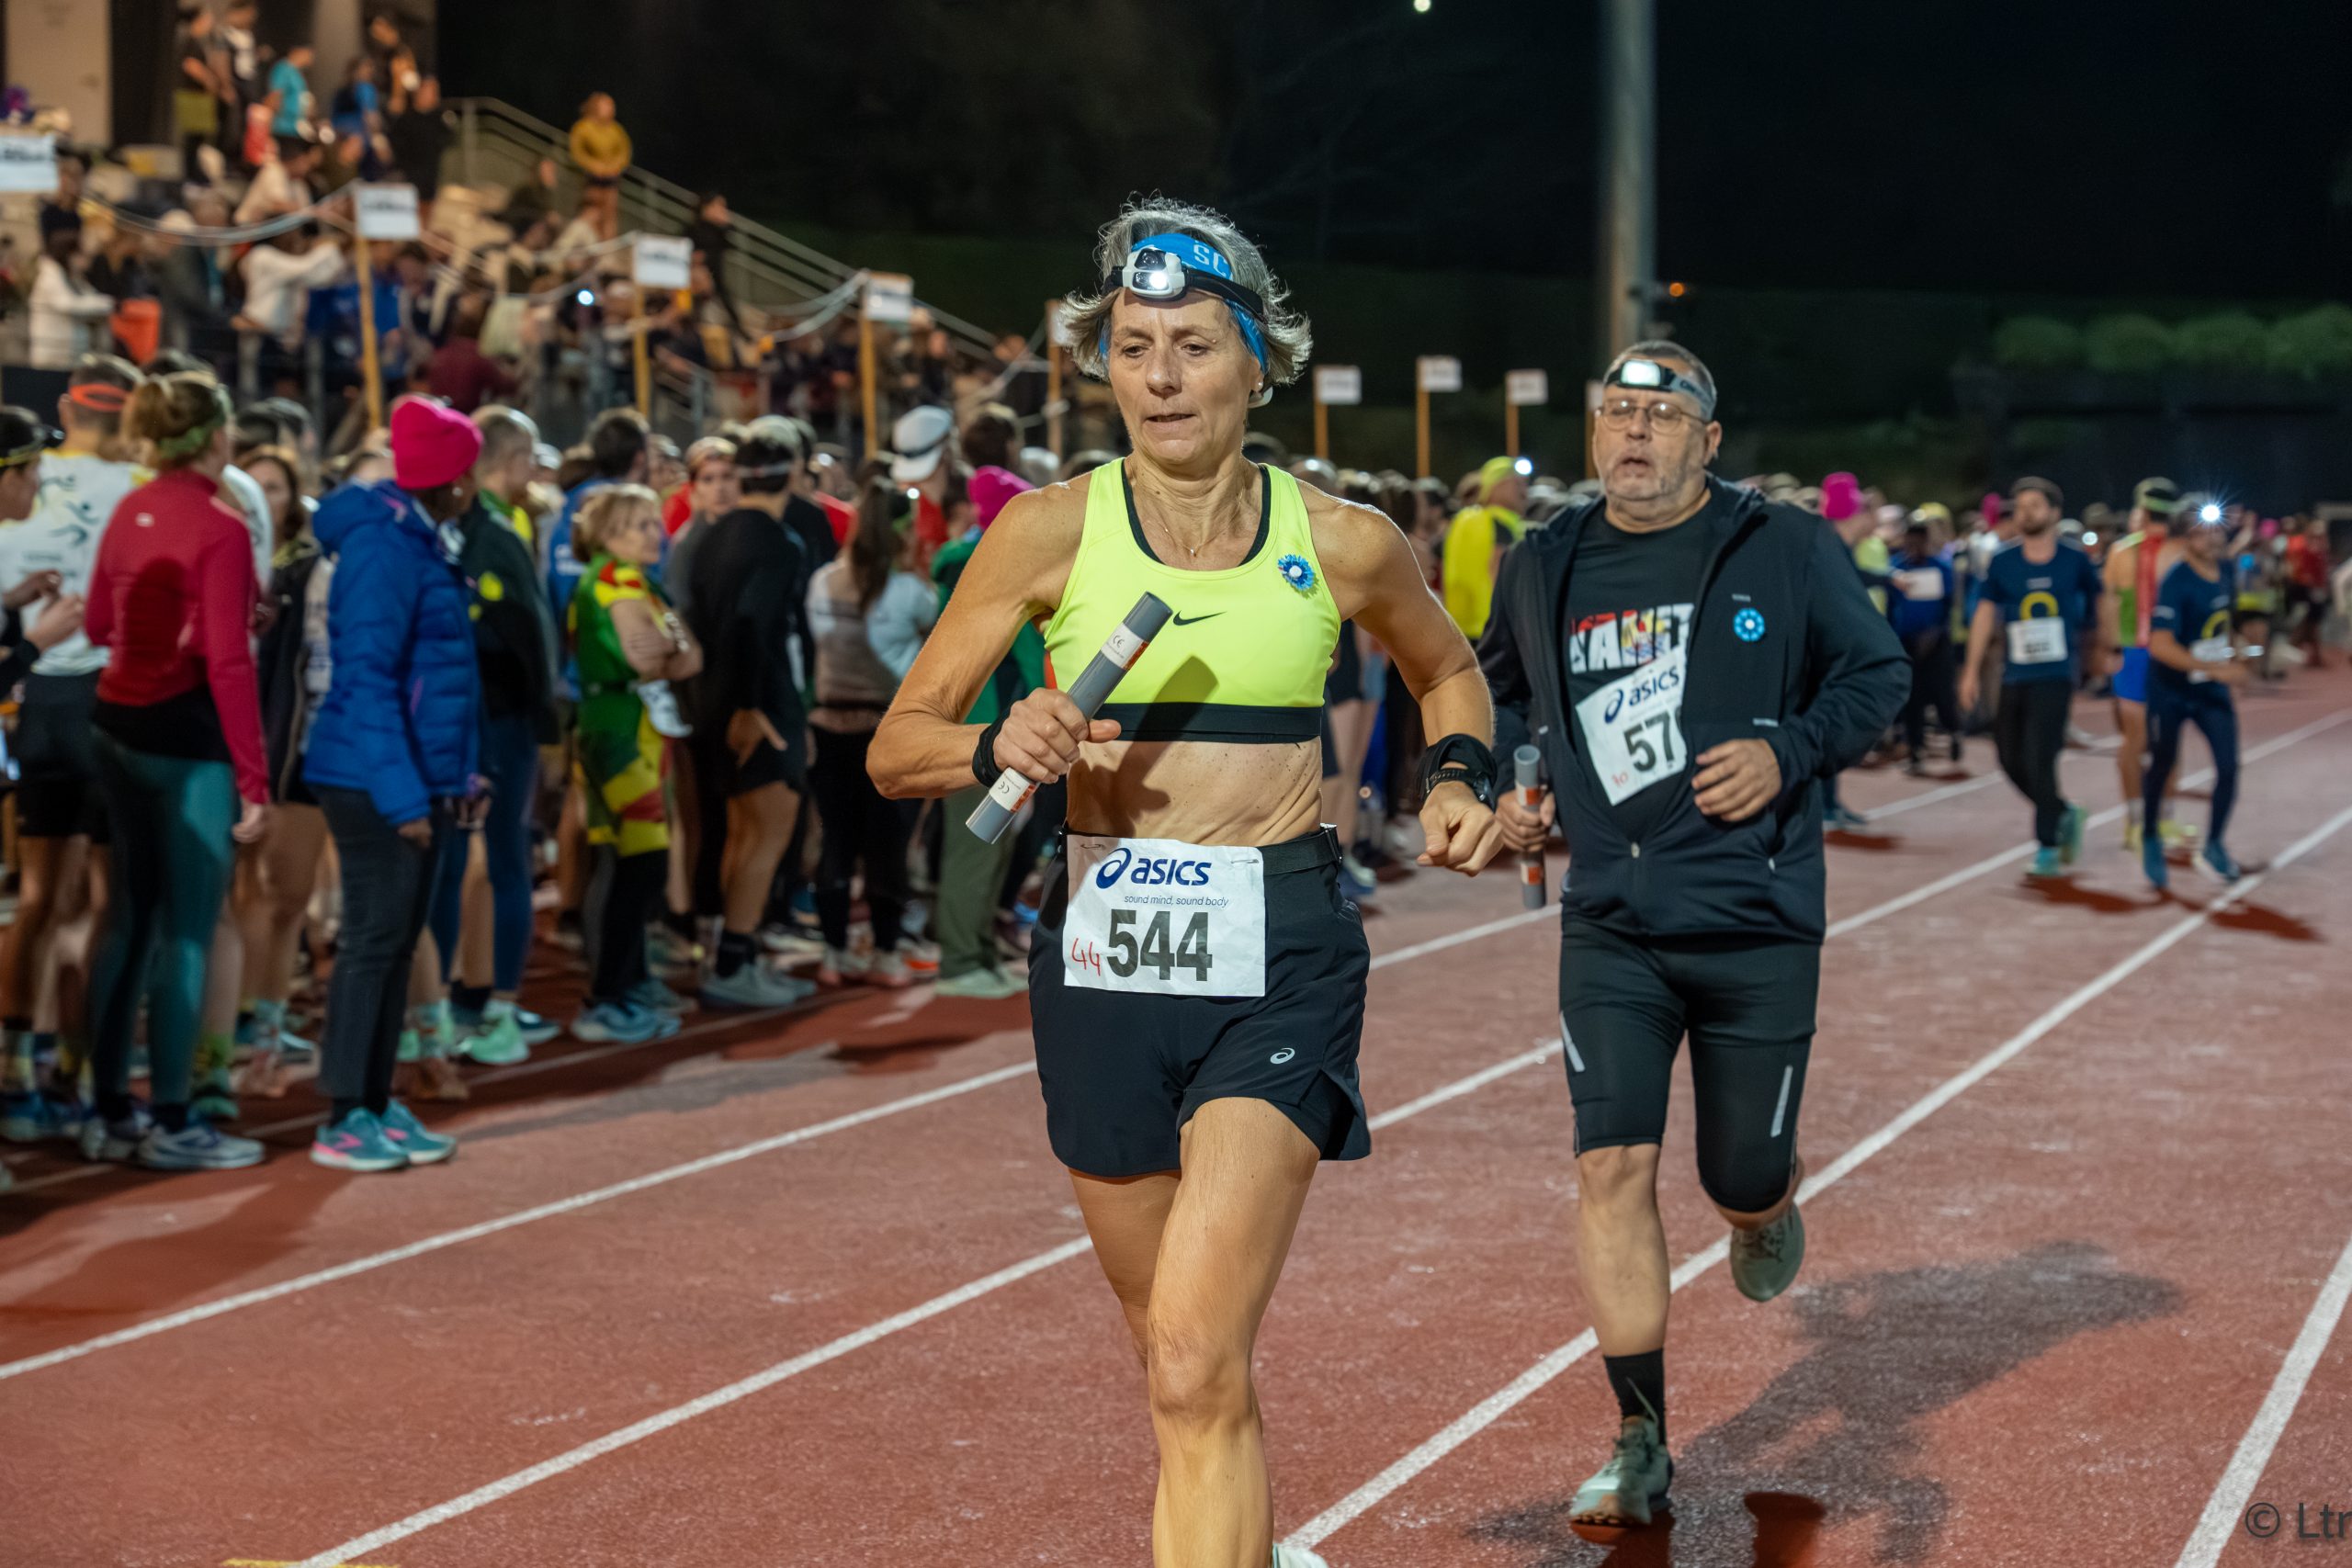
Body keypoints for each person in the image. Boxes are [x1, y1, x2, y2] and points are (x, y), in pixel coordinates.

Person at [870, 201, 1502, 1568]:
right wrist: (995, 740)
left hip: (1278, 952)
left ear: (1257, 364)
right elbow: (895, 746)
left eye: (1195, 346)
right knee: (1175, 1364)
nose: (1160, 377)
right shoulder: (1046, 532)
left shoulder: (1343, 540)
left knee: (1195, 1351)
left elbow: (1448, 667)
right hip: (1103, 955)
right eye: (1133, 347)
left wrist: (1456, 775)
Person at [1485, 342, 1907, 1538]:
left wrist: (1787, 750)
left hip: (1753, 921)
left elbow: (1877, 674)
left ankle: (1763, 1204)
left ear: (1707, 441)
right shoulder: (1544, 558)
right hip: (1609, 926)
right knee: (1608, 1167)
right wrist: (1504, 772)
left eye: (1660, 415)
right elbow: (1495, 688)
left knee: (1737, 1172)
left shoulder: (1784, 545)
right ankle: (1639, 1438)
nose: (1633, 431)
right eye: (1616, 411)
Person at [77, 374, 272, 1170]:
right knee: (188, 931)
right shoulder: (222, 524)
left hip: (114, 723)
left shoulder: (130, 508)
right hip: (187, 738)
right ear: (217, 436)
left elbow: (99, 623)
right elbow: (229, 661)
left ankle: (107, 1109)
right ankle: (173, 1119)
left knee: (128, 920)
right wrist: (254, 779)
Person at [300, 397, 481, 1171]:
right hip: (371, 777)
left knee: (397, 943)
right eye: (469, 470)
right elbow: (368, 680)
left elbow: (440, 676)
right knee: (373, 944)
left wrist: (460, 772)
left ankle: (373, 1100)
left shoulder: (416, 538)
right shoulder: (385, 547)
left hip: (405, 770)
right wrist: (405, 797)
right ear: (450, 478)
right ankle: (344, 1113)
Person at [0, 360, 141, 1138]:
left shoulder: (40, 486)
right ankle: (83, 1077)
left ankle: (20, 1069)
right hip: (100, 697)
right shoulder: (137, 488)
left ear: (69, 406)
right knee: (101, 904)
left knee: (40, 899)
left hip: (38, 706)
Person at [426, 406, 562, 1064]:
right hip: (487, 722)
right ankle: (474, 1003)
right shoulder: (487, 531)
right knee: (481, 863)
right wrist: (546, 721)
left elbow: (526, 636)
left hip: (482, 719)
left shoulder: (480, 529)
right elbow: (533, 639)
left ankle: (483, 1003)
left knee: (483, 862)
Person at [682, 428, 817, 1008]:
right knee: (767, 836)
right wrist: (753, 709)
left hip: (714, 701)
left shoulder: (713, 535)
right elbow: (752, 623)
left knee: (741, 835)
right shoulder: (779, 542)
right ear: (793, 474)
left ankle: (733, 957)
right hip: (758, 705)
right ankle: (735, 963)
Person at [570, 485, 700, 1041]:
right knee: (640, 861)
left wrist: (666, 646)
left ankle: (627, 982)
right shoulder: (613, 579)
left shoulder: (641, 582)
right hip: (618, 732)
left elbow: (687, 656)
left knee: (627, 862)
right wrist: (668, 646)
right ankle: (608, 995)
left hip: (637, 728)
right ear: (609, 533)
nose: (657, 534)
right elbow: (645, 655)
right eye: (641, 525)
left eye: (655, 523)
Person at [807, 479, 935, 987]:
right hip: (888, 729)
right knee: (888, 844)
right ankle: (884, 952)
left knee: (835, 840)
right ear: (903, 532)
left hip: (828, 725)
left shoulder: (823, 581)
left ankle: (833, 953)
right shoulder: (912, 592)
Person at [927, 464, 1043, 999]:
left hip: (993, 722)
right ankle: (959, 960)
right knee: (976, 842)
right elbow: (1028, 652)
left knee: (991, 841)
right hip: (984, 724)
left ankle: (976, 950)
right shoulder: (991, 563)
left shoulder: (965, 560)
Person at [1960, 477, 2103, 878]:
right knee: (2008, 757)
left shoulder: (2074, 560)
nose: (2025, 513)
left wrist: (2103, 650)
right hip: (2015, 673)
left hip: (2056, 673)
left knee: (2042, 757)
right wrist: (1970, 671)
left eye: (2034, 506)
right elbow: (1985, 613)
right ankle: (2062, 810)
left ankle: (2047, 846)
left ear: (2054, 513)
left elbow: (2099, 601)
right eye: (2020, 506)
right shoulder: (2003, 561)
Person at [2141, 503, 2247, 889]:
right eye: (2202, 532)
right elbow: (2160, 645)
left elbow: (2224, 625)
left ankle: (2215, 844)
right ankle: (2150, 835)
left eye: (2216, 530)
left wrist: (2237, 652)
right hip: (2169, 691)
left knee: (2229, 767)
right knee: (2162, 763)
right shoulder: (2177, 581)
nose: (2211, 538)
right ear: (2187, 538)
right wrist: (2217, 669)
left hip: (2209, 692)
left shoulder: (2227, 571)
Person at [2102, 478, 2189, 851]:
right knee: (2168, 739)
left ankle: (2137, 822)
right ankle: (2162, 821)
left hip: (2132, 654)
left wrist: (2108, 650)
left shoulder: (2121, 552)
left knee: (2134, 740)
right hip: (2166, 654)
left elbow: (2108, 604)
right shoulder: (2183, 552)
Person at [1886, 515, 1961, 774]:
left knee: (1943, 695)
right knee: (1912, 698)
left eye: (1920, 542)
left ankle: (1954, 731)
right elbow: (1890, 606)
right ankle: (1915, 750)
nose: (1914, 547)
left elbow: (1950, 605)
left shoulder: (1941, 568)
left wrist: (1937, 633)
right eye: (1910, 541)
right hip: (1906, 642)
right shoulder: (1895, 568)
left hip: (1936, 642)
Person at [1442, 455, 1526, 638]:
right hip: (1494, 627)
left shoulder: (1463, 520)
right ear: (1497, 486)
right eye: (1517, 484)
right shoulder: (1501, 522)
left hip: (1460, 627)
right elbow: (1500, 571)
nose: (1524, 491)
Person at [28, 228, 116, 371]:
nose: (87, 260)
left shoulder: (74, 277)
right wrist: (103, 304)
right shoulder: (49, 275)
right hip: (53, 354)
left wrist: (105, 303)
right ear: (69, 254)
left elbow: (91, 297)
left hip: (72, 353)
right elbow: (66, 304)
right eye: (82, 254)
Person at [568, 93, 631, 238]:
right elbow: (577, 152)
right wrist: (594, 166)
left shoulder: (615, 129)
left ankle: (607, 247)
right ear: (596, 107)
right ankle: (587, 244)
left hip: (610, 181)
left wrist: (614, 167)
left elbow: (624, 152)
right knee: (590, 213)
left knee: (609, 217)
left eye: (611, 106)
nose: (610, 109)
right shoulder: (583, 127)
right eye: (606, 105)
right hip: (590, 180)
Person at [266, 44, 315, 140]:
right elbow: (274, 97)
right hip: (282, 128)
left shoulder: (296, 73)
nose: (310, 59)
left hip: (296, 128)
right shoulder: (283, 69)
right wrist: (267, 130)